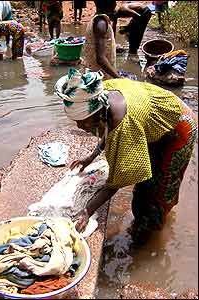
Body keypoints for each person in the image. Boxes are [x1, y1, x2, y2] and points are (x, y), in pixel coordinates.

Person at [55, 68, 197, 246]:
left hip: (178, 128)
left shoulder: (124, 125)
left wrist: (87, 211)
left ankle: (149, 238)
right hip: (154, 119)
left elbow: (117, 181)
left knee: (158, 192)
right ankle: (145, 222)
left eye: (83, 122)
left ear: (98, 113)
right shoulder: (101, 95)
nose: (80, 126)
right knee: (143, 186)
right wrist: (91, 157)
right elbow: (108, 127)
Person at [82, 0, 120, 80]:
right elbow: (101, 59)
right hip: (99, 75)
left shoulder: (99, 19)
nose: (116, 3)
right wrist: (119, 78)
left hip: (95, 71)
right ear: (111, 4)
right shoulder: (101, 24)